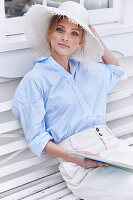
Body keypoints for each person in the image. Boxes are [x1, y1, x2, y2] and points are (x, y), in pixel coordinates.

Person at [12, 1, 133, 199]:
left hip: (112, 147)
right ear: (50, 32)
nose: (66, 38)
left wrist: (97, 39)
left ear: (81, 41)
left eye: (75, 33)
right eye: (60, 29)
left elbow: (114, 70)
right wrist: (75, 158)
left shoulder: (88, 70)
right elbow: (37, 139)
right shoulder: (35, 80)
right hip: (79, 162)